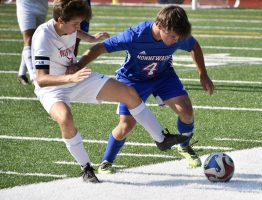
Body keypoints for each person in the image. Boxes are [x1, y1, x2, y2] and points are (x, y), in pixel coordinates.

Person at [31, 0, 188, 183]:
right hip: (53, 88)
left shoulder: (68, 27)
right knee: (65, 118)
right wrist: (69, 79)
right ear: (59, 20)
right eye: (75, 24)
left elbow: (74, 33)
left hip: (75, 77)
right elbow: (41, 79)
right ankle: (86, 168)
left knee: (129, 94)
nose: (78, 27)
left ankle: (161, 139)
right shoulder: (43, 35)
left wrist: (90, 38)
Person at [77, 5, 215, 174]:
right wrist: (78, 65)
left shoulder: (177, 35)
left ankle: (184, 147)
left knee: (186, 111)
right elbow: (100, 48)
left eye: (178, 37)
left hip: (163, 76)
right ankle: (107, 161)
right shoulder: (135, 35)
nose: (176, 40)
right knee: (126, 126)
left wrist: (203, 74)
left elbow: (194, 46)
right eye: (172, 36)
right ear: (160, 25)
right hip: (133, 80)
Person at [16, 0, 48, 85]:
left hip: (42, 6)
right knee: (28, 39)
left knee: (35, 40)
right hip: (26, 5)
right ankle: (33, 76)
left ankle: (21, 73)